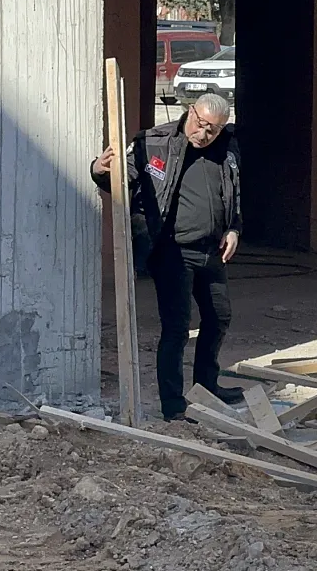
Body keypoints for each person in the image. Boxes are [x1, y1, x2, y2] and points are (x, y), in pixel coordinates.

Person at [92, 93, 244, 421]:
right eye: (201, 125)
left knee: (219, 318)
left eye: (213, 130)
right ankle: (173, 405)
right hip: (172, 251)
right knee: (176, 327)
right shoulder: (155, 143)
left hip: (212, 250)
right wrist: (99, 169)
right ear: (190, 112)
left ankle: (207, 385)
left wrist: (233, 227)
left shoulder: (228, 146)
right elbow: (119, 179)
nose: (204, 134)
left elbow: (234, 192)